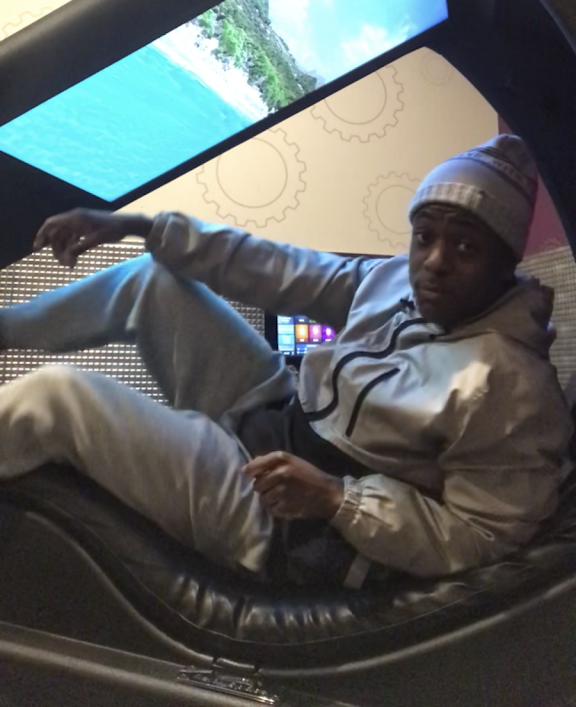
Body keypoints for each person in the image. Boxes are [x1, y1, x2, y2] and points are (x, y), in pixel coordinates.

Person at [0, 135, 571, 588]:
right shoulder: (395, 279)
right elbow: (278, 268)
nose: (435, 262)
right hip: (275, 412)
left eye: (466, 247)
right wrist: (137, 225)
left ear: (506, 261)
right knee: (153, 279)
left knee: (56, 399)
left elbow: (481, 536)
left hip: (282, 512)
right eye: (425, 237)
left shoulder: (510, 386)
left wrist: (338, 500)